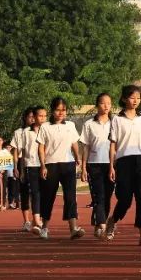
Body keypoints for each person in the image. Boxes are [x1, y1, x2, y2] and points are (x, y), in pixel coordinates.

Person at [106, 85, 141, 245]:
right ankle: (113, 219)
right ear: (124, 98)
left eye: (138, 98)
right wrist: (111, 166)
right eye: (132, 97)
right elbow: (113, 145)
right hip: (123, 162)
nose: (135, 101)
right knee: (125, 199)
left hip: (140, 160)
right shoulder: (117, 119)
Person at [37, 97, 85, 240]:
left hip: (68, 164)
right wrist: (43, 165)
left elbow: (74, 143)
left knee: (70, 197)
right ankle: (44, 228)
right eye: (58, 110)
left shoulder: (70, 125)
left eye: (63, 110)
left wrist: (77, 157)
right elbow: (41, 147)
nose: (61, 113)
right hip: (51, 165)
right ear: (52, 111)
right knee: (48, 197)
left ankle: (73, 228)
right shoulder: (45, 127)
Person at [80, 93, 114, 239]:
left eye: (109, 103)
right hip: (94, 165)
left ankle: (98, 223)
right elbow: (86, 147)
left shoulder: (115, 123)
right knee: (98, 196)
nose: (106, 106)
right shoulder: (89, 124)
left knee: (107, 197)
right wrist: (83, 167)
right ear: (97, 105)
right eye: (103, 103)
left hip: (111, 165)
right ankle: (103, 226)